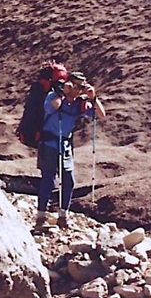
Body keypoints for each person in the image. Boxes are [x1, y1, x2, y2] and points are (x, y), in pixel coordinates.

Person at [35, 71, 106, 230]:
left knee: (69, 181)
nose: (79, 90)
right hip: (48, 144)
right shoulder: (53, 96)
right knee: (48, 180)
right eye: (77, 86)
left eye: (82, 87)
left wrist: (93, 98)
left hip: (65, 146)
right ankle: (40, 217)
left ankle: (63, 216)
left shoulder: (78, 103)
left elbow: (101, 115)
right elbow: (52, 108)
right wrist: (63, 93)